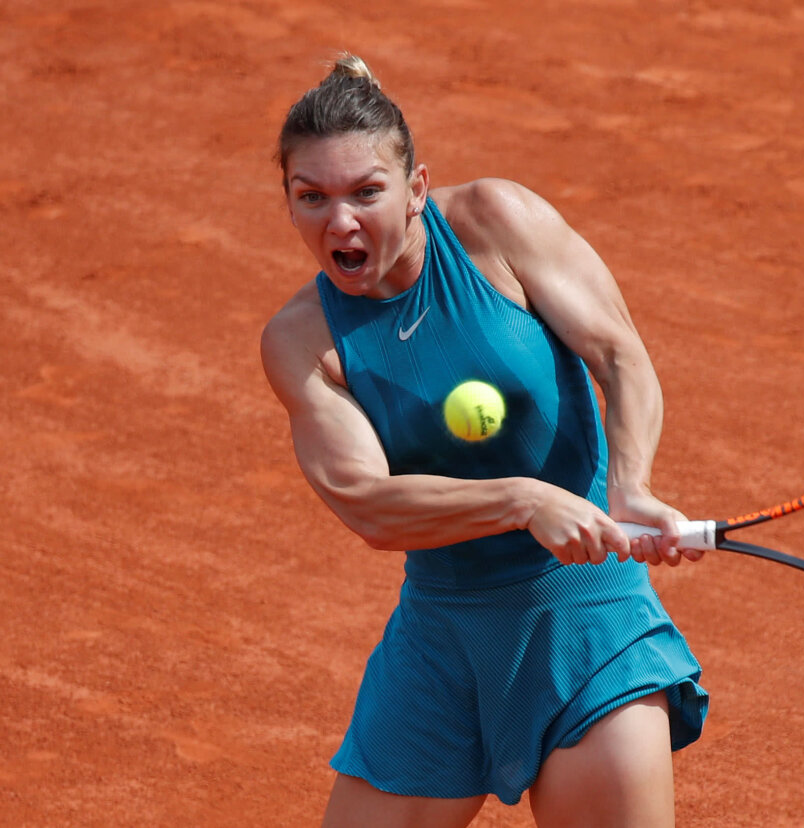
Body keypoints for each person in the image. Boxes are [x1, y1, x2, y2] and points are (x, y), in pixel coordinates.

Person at [259, 54, 708, 828]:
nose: (341, 222)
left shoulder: (496, 225)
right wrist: (523, 500)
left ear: (417, 189)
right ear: (290, 203)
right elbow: (370, 506)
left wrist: (629, 484)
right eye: (313, 198)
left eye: (367, 192)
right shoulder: (303, 343)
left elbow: (618, 354)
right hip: (441, 645)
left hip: (585, 622)